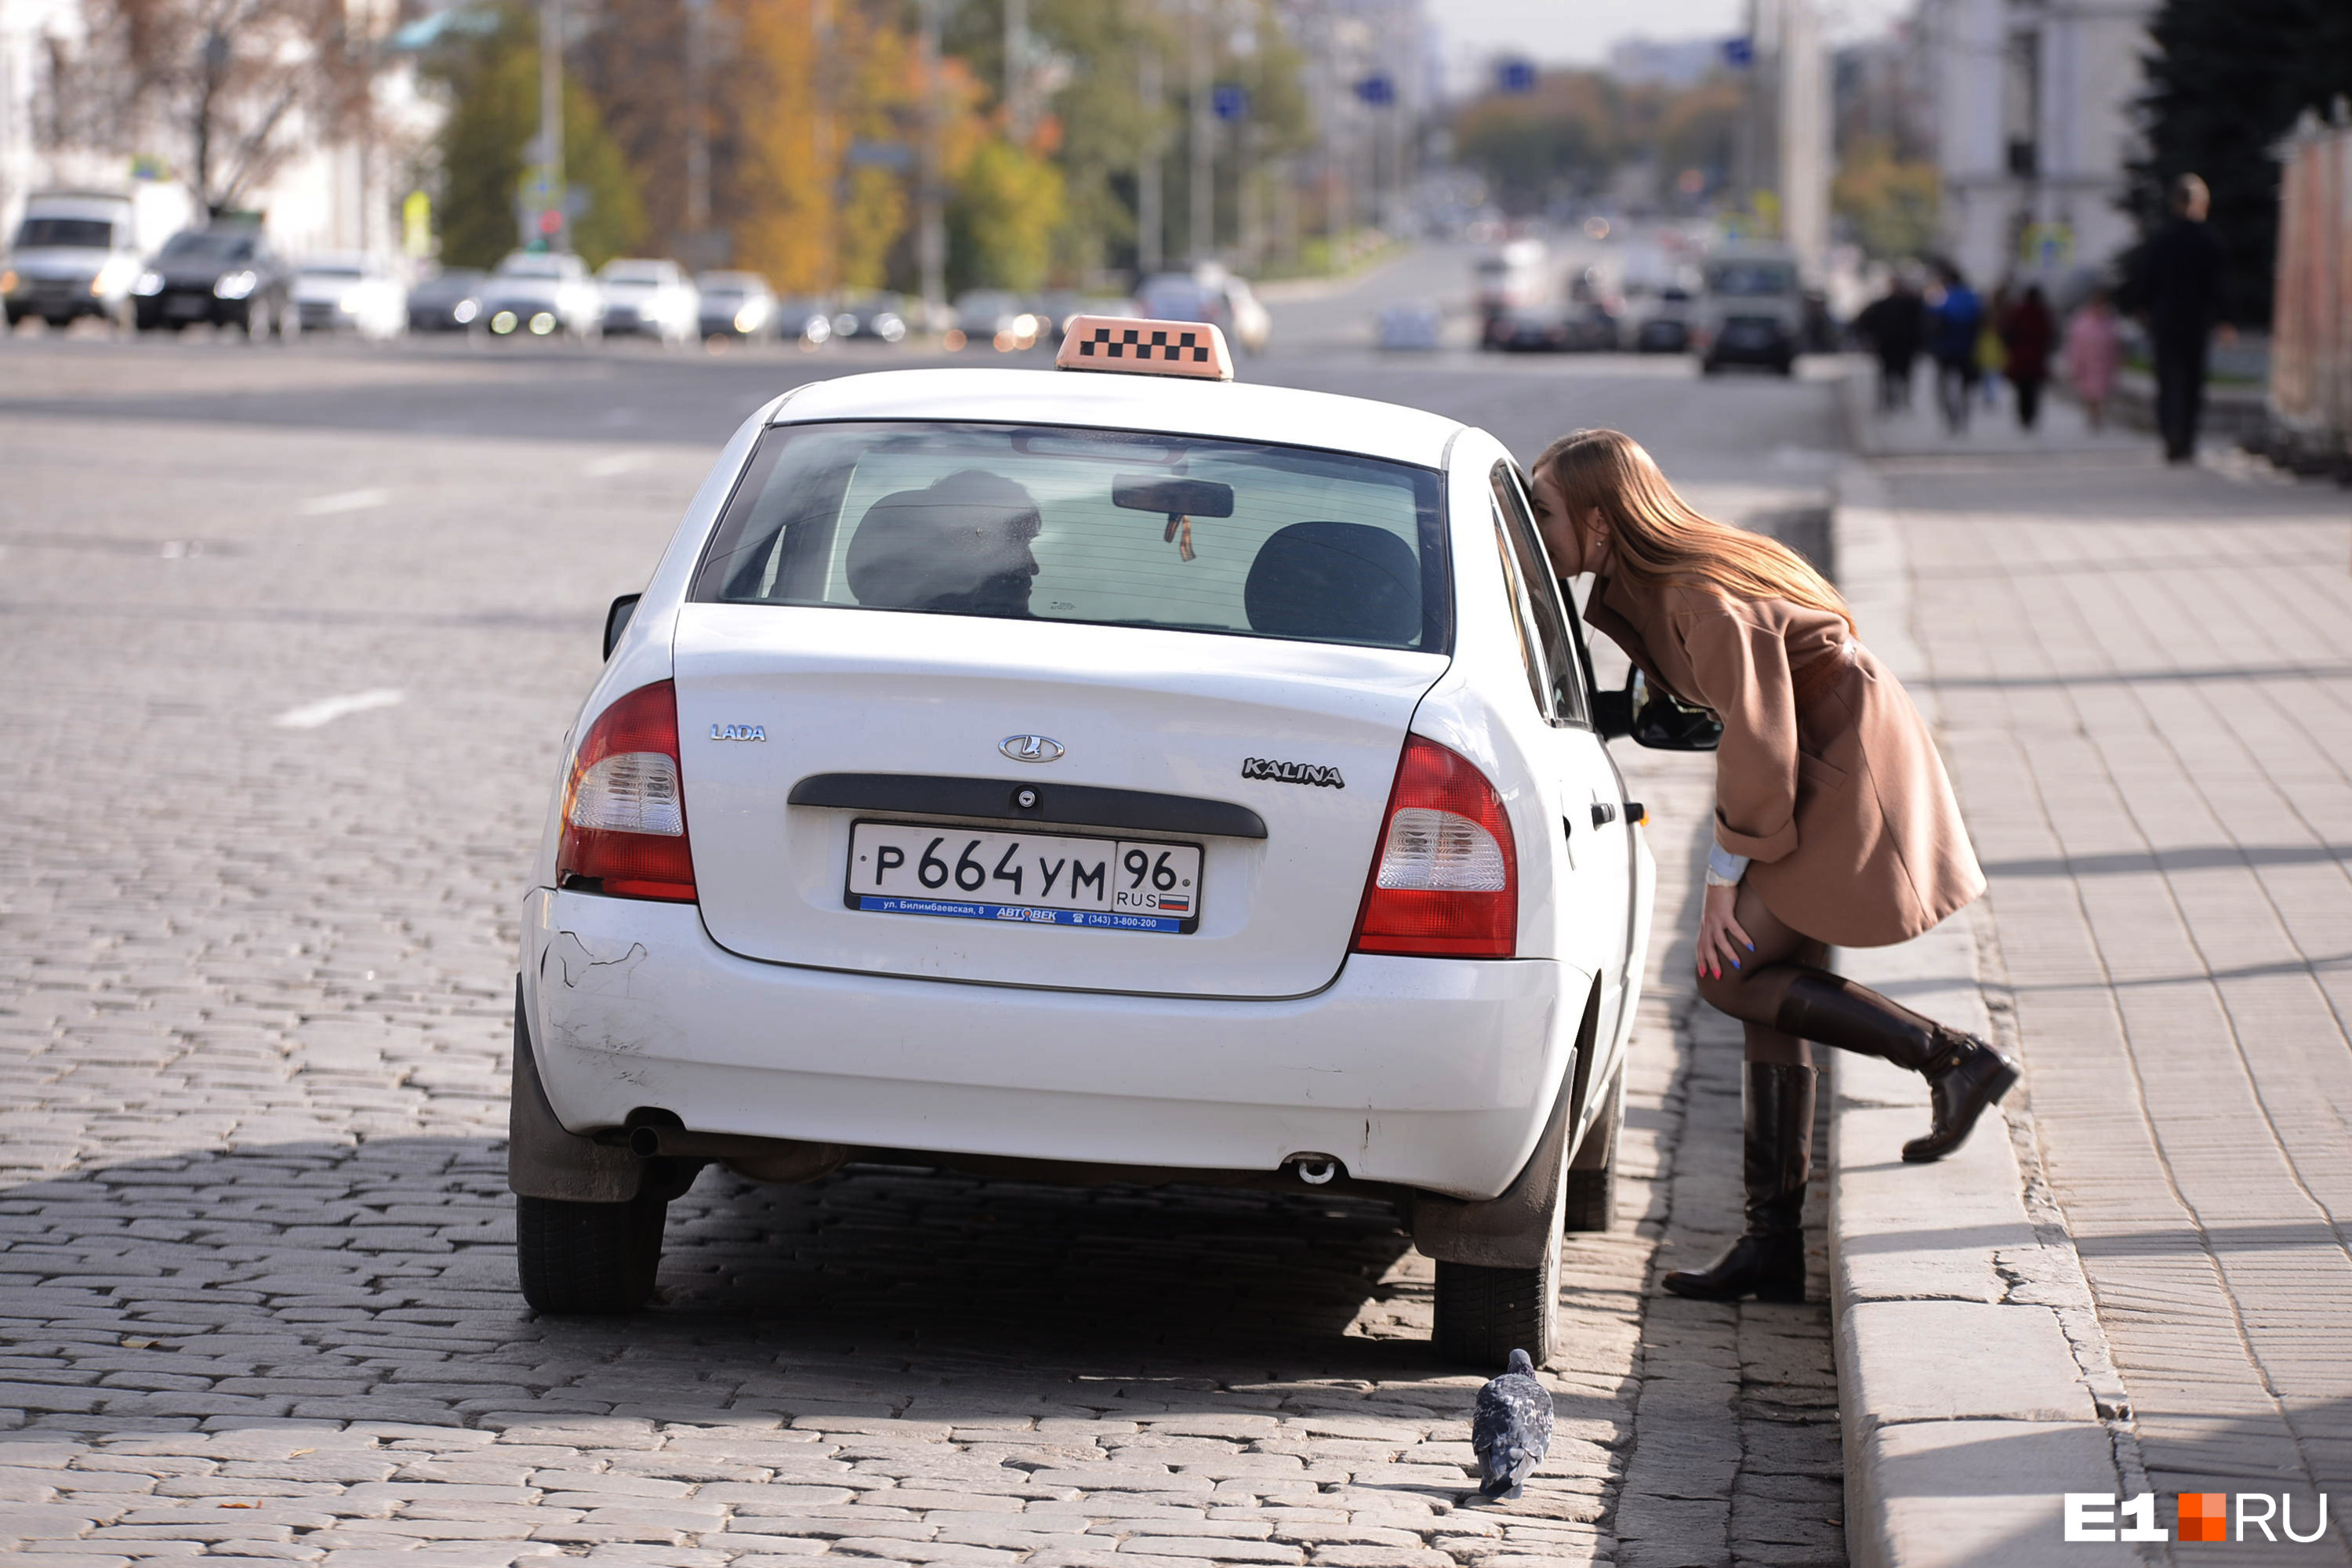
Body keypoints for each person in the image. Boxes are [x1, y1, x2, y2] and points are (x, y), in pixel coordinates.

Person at [1530, 429, 2019, 1304]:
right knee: (1766, 984)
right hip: (1822, 748)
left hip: (1835, 760)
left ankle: (1950, 1056)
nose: (1535, 524)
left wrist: (1723, 880)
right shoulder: (1662, 581)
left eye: (1546, 510)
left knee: (1727, 971)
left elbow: (1756, 745)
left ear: (1600, 526)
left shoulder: (1695, 594)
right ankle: (1773, 1247)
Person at [2129, 173, 2231, 463]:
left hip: (2165, 319)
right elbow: (2219, 285)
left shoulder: (2161, 239)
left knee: (2167, 380)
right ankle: (2186, 439)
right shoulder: (2210, 240)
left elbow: (2145, 279)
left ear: (2174, 202)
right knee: (2192, 381)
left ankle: (2169, 432)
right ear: (2201, 203)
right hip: (2196, 321)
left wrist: (2141, 307)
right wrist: (2226, 320)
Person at [1853, 273, 1924, 412]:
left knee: (1895, 375)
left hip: (1899, 346)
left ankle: (1897, 401)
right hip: (1894, 346)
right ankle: (1893, 401)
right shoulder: (1903, 304)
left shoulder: (1908, 304)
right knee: (1892, 375)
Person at [1925, 264, 1983, 435]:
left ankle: (1951, 419)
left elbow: (1932, 324)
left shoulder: (1942, 299)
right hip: (1968, 349)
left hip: (1945, 350)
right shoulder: (1973, 298)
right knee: (1965, 388)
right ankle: (1964, 418)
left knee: (1943, 386)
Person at [2064, 288, 2124, 431]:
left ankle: (2097, 418)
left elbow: (2115, 346)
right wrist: (2076, 364)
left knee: (2100, 394)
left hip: (2104, 365)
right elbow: (2075, 345)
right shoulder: (2083, 321)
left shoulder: (2110, 322)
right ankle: (2093, 417)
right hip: (2088, 364)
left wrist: (2116, 363)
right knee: (2091, 394)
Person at [2001, 284, 2055, 431]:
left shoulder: (2018, 312)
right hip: (2036, 359)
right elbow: (2049, 335)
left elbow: (2008, 334)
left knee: (2022, 390)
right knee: (2033, 390)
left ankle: (2024, 416)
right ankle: (2031, 416)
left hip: (2020, 358)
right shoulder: (2042, 313)